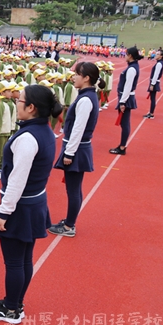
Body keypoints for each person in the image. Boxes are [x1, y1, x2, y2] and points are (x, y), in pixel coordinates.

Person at [0, 84, 61, 325]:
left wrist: (3, 212)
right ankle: (14, 301)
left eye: (21, 100)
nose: (16, 102)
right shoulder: (44, 130)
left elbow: (17, 179)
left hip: (21, 205)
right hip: (35, 201)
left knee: (15, 261)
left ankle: (11, 308)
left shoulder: (28, 138)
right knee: (25, 258)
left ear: (31, 107)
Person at [49, 62, 103, 238]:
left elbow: (78, 129)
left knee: (73, 189)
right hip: (78, 147)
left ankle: (69, 226)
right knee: (74, 188)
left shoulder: (86, 99)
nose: (73, 77)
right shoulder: (86, 96)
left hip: (78, 148)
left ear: (86, 77)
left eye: (77, 74)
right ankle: (69, 221)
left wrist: (69, 153)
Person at [110, 46, 142, 155]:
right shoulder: (132, 67)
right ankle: (122, 145)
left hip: (126, 98)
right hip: (125, 97)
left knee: (124, 123)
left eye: (126, 54)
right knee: (124, 123)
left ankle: (122, 147)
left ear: (130, 56)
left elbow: (128, 86)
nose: (124, 56)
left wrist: (122, 102)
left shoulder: (132, 69)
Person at [144, 49, 163, 120]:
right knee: (152, 98)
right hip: (154, 82)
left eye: (158, 54)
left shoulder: (159, 64)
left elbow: (156, 75)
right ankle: (151, 112)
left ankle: (151, 114)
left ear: (161, 56)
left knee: (153, 98)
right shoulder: (159, 63)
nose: (156, 55)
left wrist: (152, 84)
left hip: (154, 82)